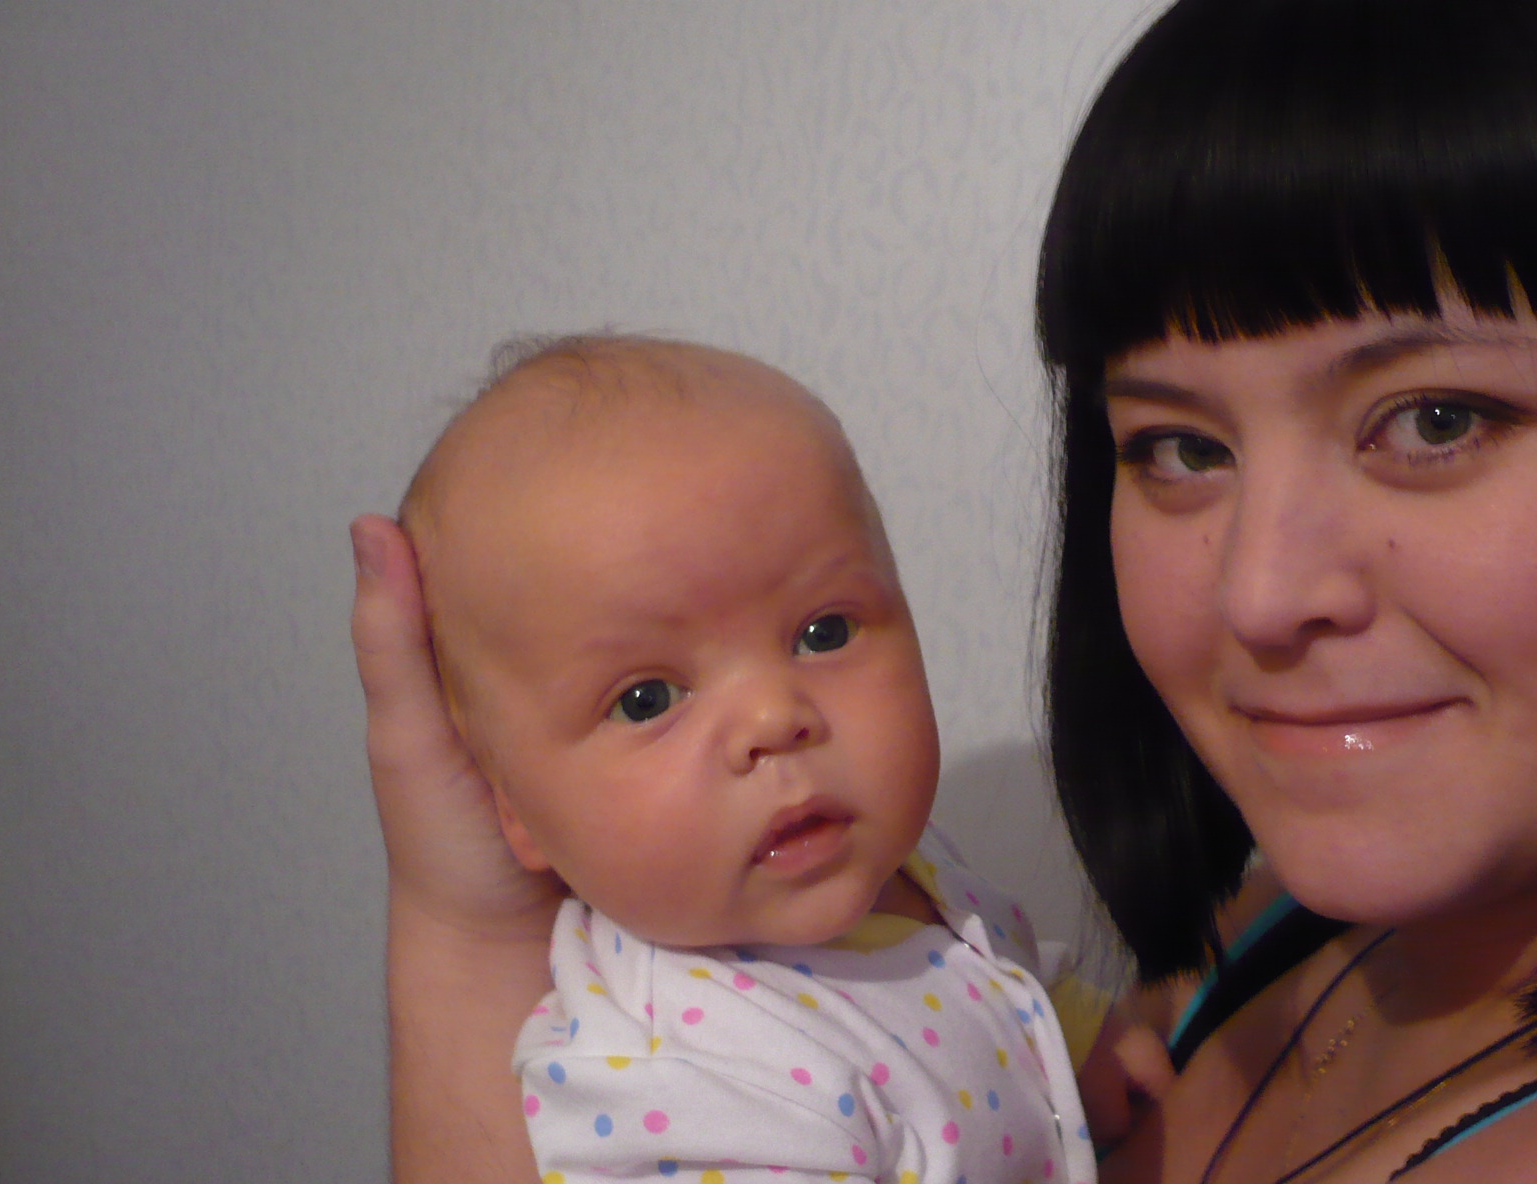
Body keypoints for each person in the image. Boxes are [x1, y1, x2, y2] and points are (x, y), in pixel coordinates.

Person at [351, 0, 1537, 1184]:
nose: (1261, 593)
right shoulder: (1318, 918)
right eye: (1178, 447)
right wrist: (472, 910)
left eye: (1433, 420)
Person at [382, 335, 1100, 1184]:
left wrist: (1089, 1052)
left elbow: (1003, 989)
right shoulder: (681, 1080)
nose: (772, 718)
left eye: (823, 632)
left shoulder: (909, 868)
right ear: (514, 810)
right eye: (646, 699)